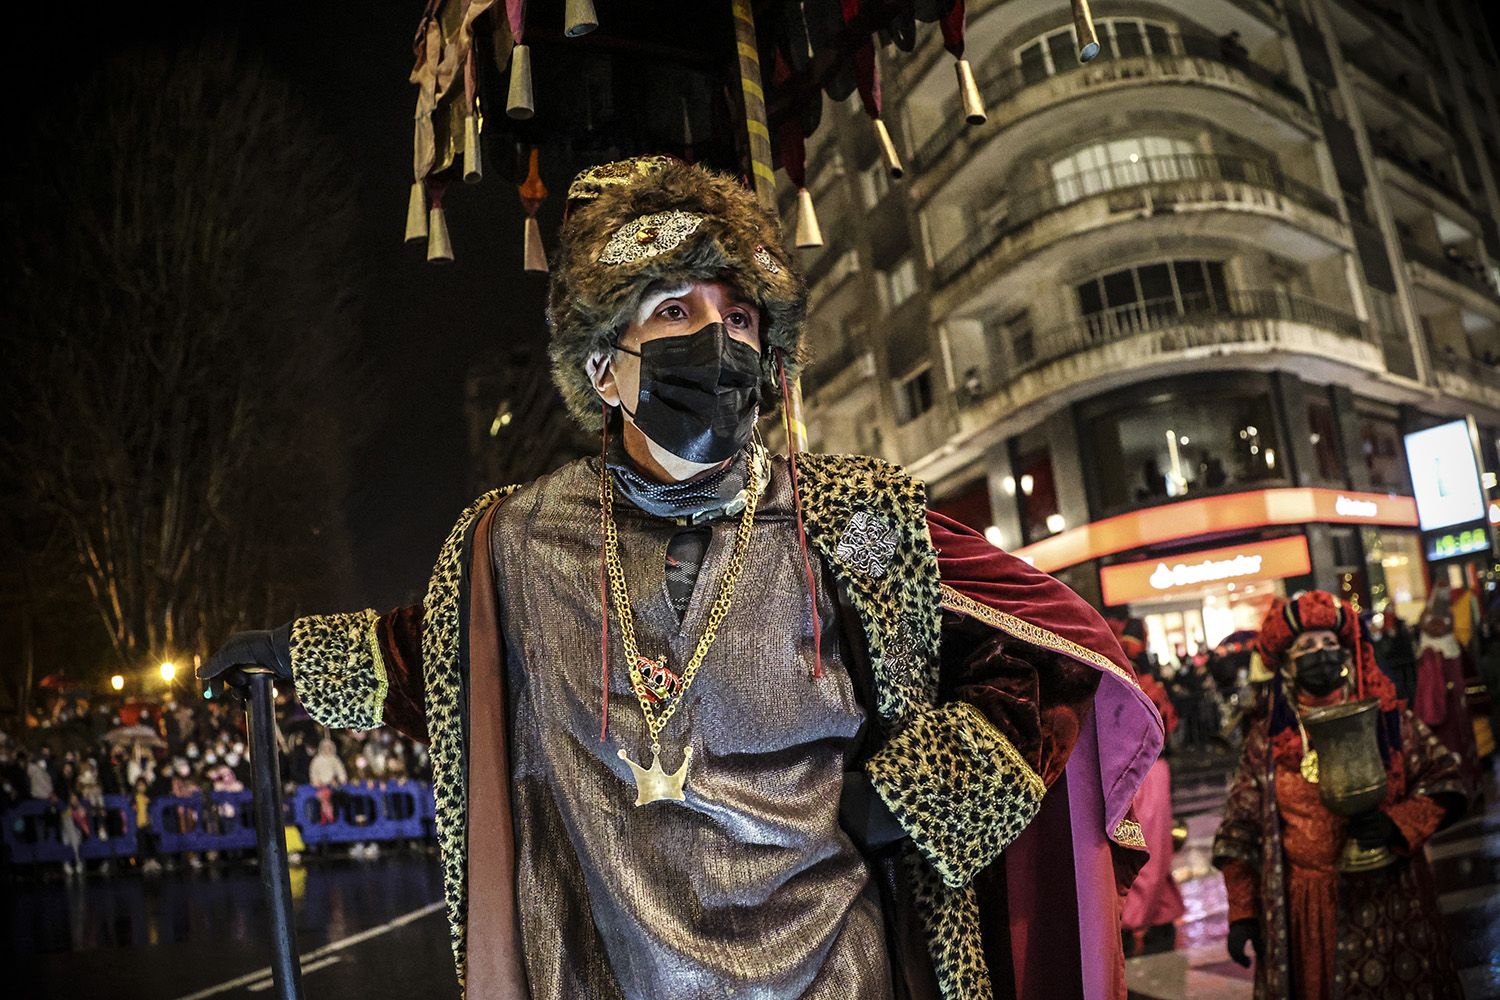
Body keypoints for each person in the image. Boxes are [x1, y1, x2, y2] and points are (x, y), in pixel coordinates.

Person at [203, 156, 1163, 1000]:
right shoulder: (515, 543)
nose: (718, 339)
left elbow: (1051, 650)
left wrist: (920, 796)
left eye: (739, 316)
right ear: (602, 369)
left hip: (839, 976)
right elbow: (446, 659)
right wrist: (292, 656)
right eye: (674, 311)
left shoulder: (857, 517)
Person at [1213, 590, 1466, 999]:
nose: (1321, 653)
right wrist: (1243, 912)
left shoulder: (1386, 716)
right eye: (1307, 646)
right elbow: (1240, 828)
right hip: (1303, 910)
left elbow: (1447, 780)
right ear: (1287, 662)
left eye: (1330, 644)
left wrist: (1396, 824)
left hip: (1389, 902)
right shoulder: (1268, 736)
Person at [1416, 586, 1483, 796]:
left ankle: (1469, 785)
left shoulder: (1449, 650)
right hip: (1445, 714)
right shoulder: (1432, 654)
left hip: (1456, 711)